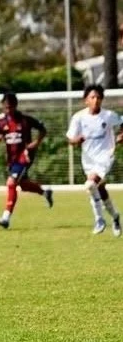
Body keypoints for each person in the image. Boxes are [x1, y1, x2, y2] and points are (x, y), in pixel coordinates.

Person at [0, 92, 52, 229]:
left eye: (10, 107)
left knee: (11, 183)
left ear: (15, 106)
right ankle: (45, 192)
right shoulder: (0, 122)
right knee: (22, 185)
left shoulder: (25, 120)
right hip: (12, 159)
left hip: (25, 156)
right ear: (2, 107)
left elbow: (43, 129)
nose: (8, 110)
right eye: (6, 107)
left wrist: (36, 143)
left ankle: (6, 218)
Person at [66, 84, 123, 236]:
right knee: (99, 189)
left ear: (102, 99)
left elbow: (122, 121)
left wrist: (121, 135)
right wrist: (76, 140)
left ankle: (99, 220)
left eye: (98, 97)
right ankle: (116, 217)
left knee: (91, 183)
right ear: (86, 100)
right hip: (88, 159)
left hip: (106, 156)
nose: (96, 100)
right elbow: (70, 139)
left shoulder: (108, 115)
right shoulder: (78, 118)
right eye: (92, 97)